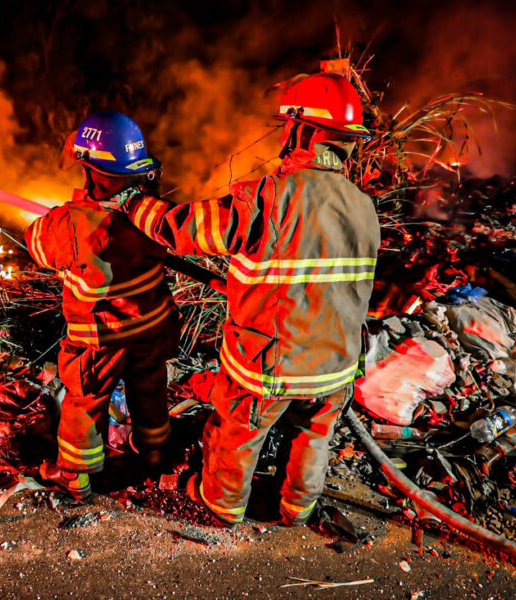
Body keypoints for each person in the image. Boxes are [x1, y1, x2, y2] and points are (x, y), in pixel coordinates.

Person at [113, 73, 380, 525]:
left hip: (271, 365)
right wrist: (243, 285)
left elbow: (185, 229)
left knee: (236, 432)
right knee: (313, 435)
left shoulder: (269, 197)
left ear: (303, 130)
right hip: (336, 365)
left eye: (289, 126)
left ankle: (222, 504)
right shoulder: (362, 206)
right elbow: (319, 279)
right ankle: (297, 510)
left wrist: (133, 203)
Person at [25, 111, 178, 500]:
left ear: (89, 169)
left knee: (85, 401)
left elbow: (35, 243)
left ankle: (74, 475)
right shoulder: (152, 213)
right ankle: (156, 452)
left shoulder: (69, 224)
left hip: (99, 339)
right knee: (149, 388)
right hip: (151, 330)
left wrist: (61, 215)